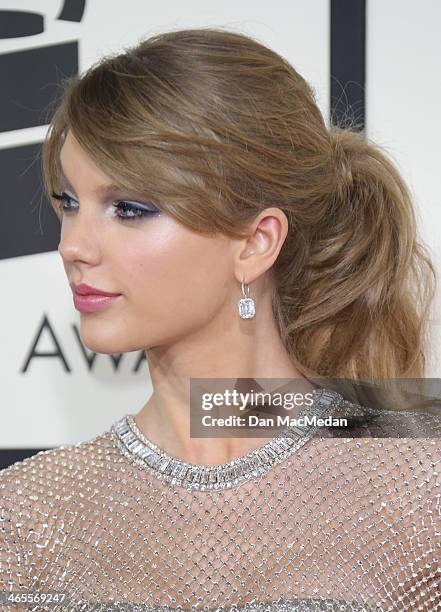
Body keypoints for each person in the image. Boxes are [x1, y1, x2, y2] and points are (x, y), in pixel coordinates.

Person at [1, 27, 440, 611]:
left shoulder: (418, 496)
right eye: (68, 203)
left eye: (129, 209)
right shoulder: (30, 516)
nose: (73, 246)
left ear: (256, 243)